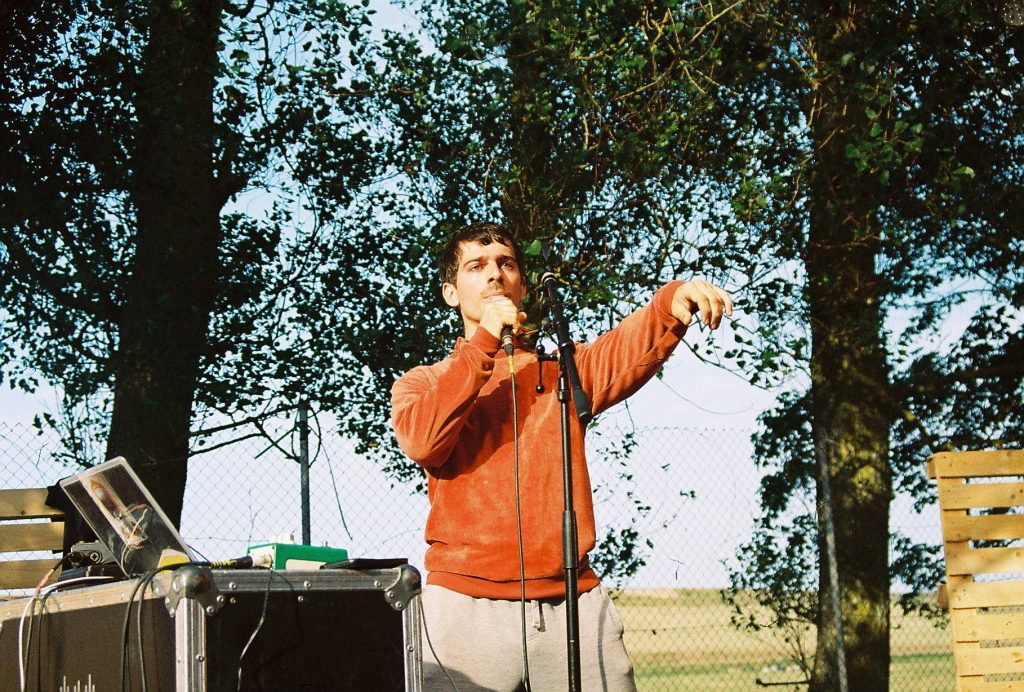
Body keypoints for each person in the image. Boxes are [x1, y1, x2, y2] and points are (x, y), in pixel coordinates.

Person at [390, 222, 733, 691]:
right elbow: (423, 440)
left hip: (572, 601)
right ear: (451, 293)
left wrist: (670, 302)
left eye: (506, 264)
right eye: (476, 266)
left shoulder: (563, 372)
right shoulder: (424, 382)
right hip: (464, 608)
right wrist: (484, 343)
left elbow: (624, 348)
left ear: (522, 287)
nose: (495, 274)